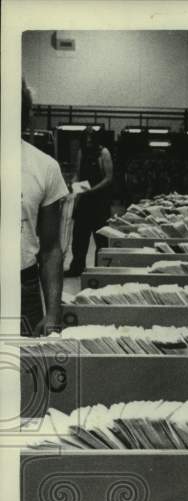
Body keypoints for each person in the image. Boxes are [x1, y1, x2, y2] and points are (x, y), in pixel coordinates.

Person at [20, 80, 68, 336]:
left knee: (22, 372)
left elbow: (50, 249)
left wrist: (52, 312)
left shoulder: (44, 167)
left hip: (22, 289)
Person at [68, 126, 113, 277]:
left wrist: (93, 190)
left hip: (100, 203)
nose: (88, 141)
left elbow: (109, 178)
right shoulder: (82, 152)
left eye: (91, 139)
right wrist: (73, 184)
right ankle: (77, 267)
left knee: (101, 238)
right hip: (84, 202)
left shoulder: (103, 153)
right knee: (79, 237)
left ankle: (100, 270)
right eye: (85, 138)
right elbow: (77, 174)